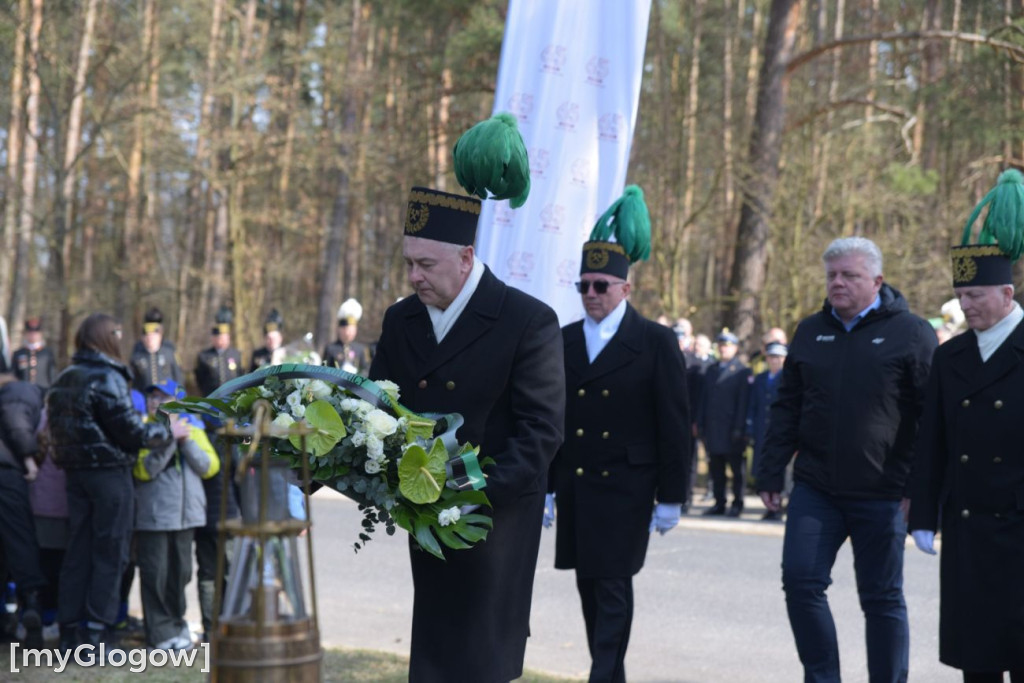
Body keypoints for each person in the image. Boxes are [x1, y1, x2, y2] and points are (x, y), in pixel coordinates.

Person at [368, 113, 564, 683]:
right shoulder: (401, 321)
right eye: (407, 262)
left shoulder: (527, 321)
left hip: (493, 520)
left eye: (426, 264)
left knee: (481, 660)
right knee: (432, 656)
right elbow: (378, 409)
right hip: (425, 513)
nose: (414, 276)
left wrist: (467, 490)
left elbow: (540, 434)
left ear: (465, 258)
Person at [756, 236, 936, 683]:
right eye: (832, 275)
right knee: (800, 583)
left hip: (884, 492)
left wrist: (920, 488)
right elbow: (787, 406)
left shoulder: (911, 333)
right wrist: (770, 469)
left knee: (881, 599)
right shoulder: (809, 331)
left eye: (849, 275)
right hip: (817, 488)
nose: (838, 283)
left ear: (877, 280)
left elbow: (934, 417)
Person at [548, 186, 688, 683]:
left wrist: (672, 496)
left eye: (601, 286)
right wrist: (546, 484)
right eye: (583, 286)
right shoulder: (562, 340)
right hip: (578, 483)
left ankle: (603, 675)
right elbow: (551, 417)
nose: (590, 294)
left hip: (627, 488)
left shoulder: (653, 341)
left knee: (611, 586)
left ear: (625, 289)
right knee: (590, 586)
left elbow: (674, 425)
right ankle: (610, 672)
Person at [908, 169, 1024, 682]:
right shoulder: (951, 355)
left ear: (1006, 291)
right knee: (976, 654)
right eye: (961, 295)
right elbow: (932, 438)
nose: (966, 305)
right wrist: (923, 513)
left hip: (1019, 522)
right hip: (969, 523)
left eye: (975, 295)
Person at [46, 313, 190, 653]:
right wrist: (168, 430)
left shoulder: (65, 377)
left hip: (76, 475)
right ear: (107, 338)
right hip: (109, 474)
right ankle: (96, 632)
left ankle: (70, 631)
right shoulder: (107, 377)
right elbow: (132, 431)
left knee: (78, 550)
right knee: (111, 551)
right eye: (118, 333)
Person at [134, 379, 219, 652]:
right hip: (155, 516)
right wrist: (170, 439)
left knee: (180, 573)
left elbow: (210, 467)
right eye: (153, 397)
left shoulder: (193, 428)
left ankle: (175, 623)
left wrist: (186, 440)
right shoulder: (143, 430)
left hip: (187, 516)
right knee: (155, 573)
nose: (156, 402)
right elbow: (143, 470)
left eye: (163, 397)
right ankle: (159, 633)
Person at [193, 307, 242, 640]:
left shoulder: (199, 440)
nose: (220, 338)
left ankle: (215, 629)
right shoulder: (233, 445)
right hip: (225, 515)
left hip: (209, 515)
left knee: (212, 572)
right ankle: (223, 626)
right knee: (223, 571)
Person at [0, 373, 47, 648]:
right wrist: (30, 460)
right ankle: (32, 606)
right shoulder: (24, 390)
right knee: (21, 543)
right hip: (6, 475)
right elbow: (17, 422)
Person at [697, 329, 751, 517]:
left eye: (727, 346)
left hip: (732, 429)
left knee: (737, 471)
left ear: (735, 348)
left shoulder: (742, 371)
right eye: (721, 346)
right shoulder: (711, 370)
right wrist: (701, 422)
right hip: (713, 428)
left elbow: (743, 402)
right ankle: (719, 502)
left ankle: (737, 503)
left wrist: (739, 427)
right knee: (716, 469)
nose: (724, 349)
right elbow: (704, 399)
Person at [746, 341, 787, 520]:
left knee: (780, 469)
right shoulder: (761, 378)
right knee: (764, 466)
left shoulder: (788, 378)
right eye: (771, 357)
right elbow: (753, 404)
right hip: (762, 429)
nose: (774, 361)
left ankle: (778, 505)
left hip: (781, 431)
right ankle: (769, 504)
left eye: (778, 357)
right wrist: (750, 426)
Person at [129, 307, 184, 393]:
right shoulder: (137, 352)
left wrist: (180, 397)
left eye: (154, 336)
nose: (150, 338)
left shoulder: (169, 350)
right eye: (147, 336)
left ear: (160, 335)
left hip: (167, 399)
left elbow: (178, 376)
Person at [323, 298, 373, 375]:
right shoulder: (330, 349)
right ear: (339, 329)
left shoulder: (361, 349)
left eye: (352, 329)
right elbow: (323, 371)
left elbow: (367, 369)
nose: (349, 333)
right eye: (346, 329)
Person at [11, 318, 57, 389]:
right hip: (23, 391)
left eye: (36, 332)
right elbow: (14, 375)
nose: (33, 335)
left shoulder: (47, 353)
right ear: (25, 334)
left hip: (42, 391)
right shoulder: (18, 354)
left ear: (40, 334)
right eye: (30, 332)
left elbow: (52, 375)